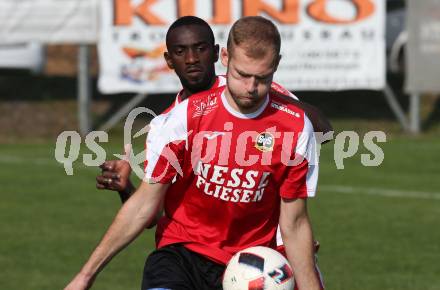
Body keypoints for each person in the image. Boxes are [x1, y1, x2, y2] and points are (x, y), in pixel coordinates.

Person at [65, 16, 322, 290]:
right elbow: (144, 207)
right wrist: (85, 276)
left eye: (262, 78)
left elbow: (294, 223)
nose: (251, 88)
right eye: (242, 75)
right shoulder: (180, 120)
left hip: (250, 261)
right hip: (182, 254)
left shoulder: (293, 125)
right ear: (225, 57)